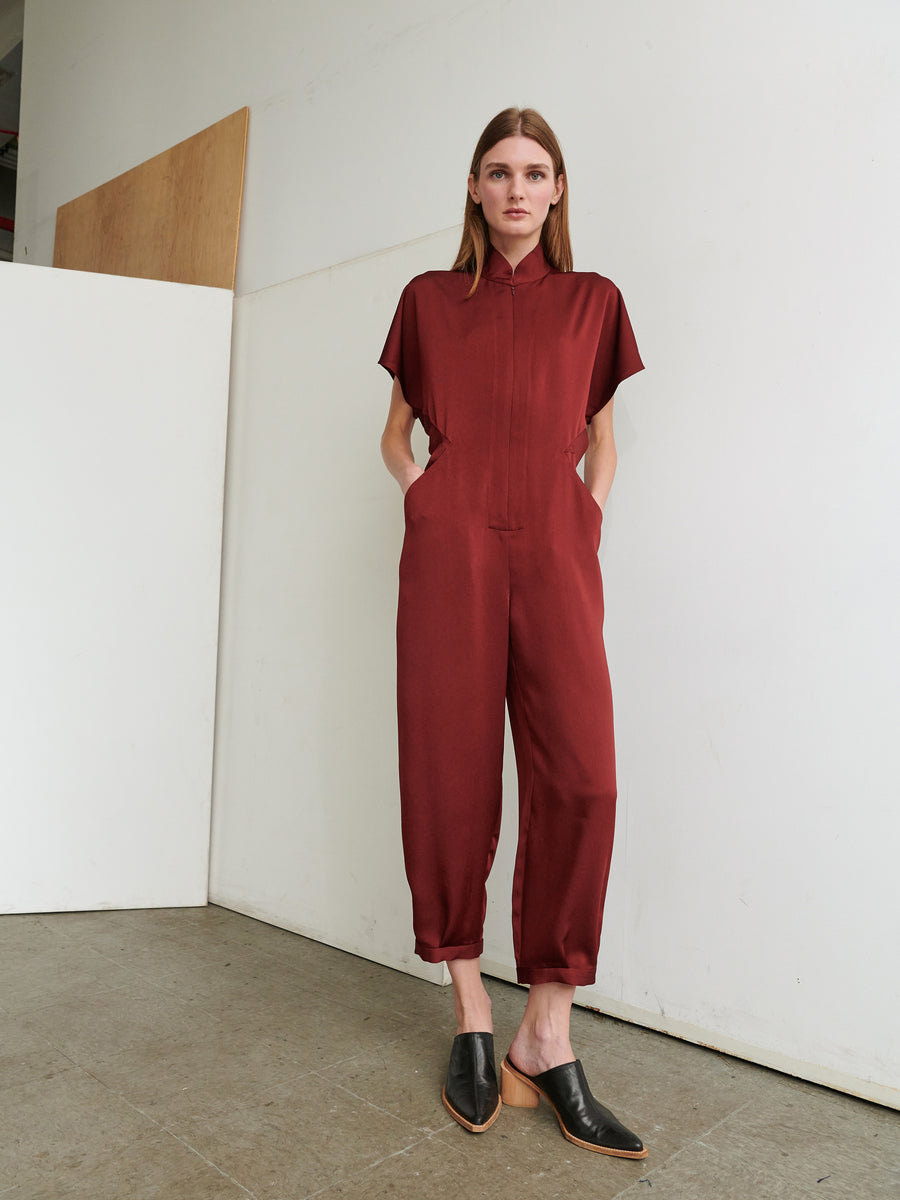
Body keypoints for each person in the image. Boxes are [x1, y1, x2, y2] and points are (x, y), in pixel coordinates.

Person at [378, 107, 647, 1159]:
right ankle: (470, 1013)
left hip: (554, 543)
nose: (518, 189)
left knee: (584, 776)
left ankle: (547, 1027)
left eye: (537, 172)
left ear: (560, 188)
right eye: (499, 172)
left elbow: (602, 442)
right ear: (476, 190)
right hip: (452, 548)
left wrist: (583, 514)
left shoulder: (594, 302)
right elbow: (394, 433)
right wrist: (424, 501)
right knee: (448, 766)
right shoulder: (429, 302)